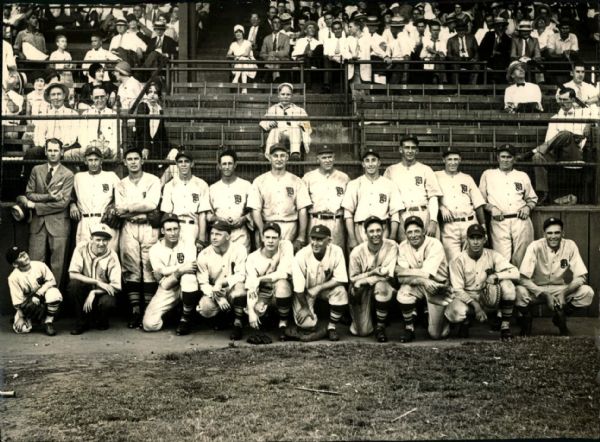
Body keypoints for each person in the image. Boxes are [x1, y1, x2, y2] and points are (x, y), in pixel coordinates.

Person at [516, 217, 594, 336]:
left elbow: (581, 276)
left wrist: (564, 293)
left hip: (559, 289)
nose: (553, 236)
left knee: (587, 292)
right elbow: (523, 278)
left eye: (557, 232)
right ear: (544, 234)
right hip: (537, 289)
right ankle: (527, 322)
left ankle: (560, 316)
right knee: (518, 292)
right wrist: (545, 294)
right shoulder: (535, 246)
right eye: (550, 233)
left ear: (563, 233)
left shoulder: (570, 245)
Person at [446, 224, 519, 340]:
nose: (475, 242)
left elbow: (515, 272)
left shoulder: (492, 255)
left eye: (479, 238)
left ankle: (505, 326)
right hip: (467, 297)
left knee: (508, 286)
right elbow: (458, 290)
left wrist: (497, 275)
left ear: (484, 239)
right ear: (467, 240)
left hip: (486, 295)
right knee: (456, 312)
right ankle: (465, 321)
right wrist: (476, 307)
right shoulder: (457, 260)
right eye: (472, 238)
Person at [115, 146, 161, 328]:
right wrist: (138, 210)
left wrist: (129, 208)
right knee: (131, 267)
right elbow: (118, 209)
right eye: (130, 159)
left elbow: (152, 203)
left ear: (142, 160)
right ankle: (135, 311)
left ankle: (149, 310)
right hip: (129, 227)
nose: (133, 162)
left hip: (148, 227)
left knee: (149, 266)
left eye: (136, 158)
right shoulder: (121, 184)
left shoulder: (153, 180)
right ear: (125, 162)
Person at [21, 138, 74, 288]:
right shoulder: (37, 170)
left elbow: (62, 203)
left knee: (58, 265)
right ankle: (36, 298)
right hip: (38, 224)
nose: (52, 153)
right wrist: (49, 197)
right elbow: (29, 194)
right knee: (35, 263)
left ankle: (54, 301)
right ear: (45, 151)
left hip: (59, 224)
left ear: (61, 152)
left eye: (55, 150)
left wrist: (36, 206)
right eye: (49, 150)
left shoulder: (68, 174)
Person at [530, 87, 597, 203]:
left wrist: (590, 123)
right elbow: (549, 142)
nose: (562, 102)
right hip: (556, 153)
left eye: (565, 100)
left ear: (573, 99)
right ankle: (543, 193)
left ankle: (533, 150)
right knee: (537, 157)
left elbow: (597, 113)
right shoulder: (554, 118)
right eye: (560, 99)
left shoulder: (583, 114)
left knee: (566, 135)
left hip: (575, 152)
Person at [396, 216, 454, 343]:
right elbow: (400, 277)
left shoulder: (434, 244)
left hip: (437, 286)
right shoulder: (403, 246)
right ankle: (409, 328)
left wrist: (406, 273)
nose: (413, 235)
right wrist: (417, 279)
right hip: (420, 284)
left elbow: (425, 274)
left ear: (423, 231)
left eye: (417, 231)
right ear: (405, 234)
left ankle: (446, 319)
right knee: (403, 292)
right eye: (410, 232)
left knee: (435, 334)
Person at [479, 144, 537, 267]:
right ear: (498, 158)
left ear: (514, 159)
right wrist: (491, 208)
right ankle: (505, 285)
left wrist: (527, 207)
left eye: (509, 157)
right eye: (503, 156)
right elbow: (480, 201)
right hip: (500, 220)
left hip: (520, 220)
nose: (505, 160)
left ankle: (521, 285)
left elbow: (532, 199)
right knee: (501, 260)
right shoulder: (488, 174)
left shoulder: (522, 175)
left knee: (523, 260)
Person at [143, 214, 201, 335]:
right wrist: (179, 270)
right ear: (163, 231)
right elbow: (161, 277)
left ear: (180, 229)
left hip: (186, 285)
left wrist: (167, 270)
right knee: (149, 324)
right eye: (169, 230)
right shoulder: (155, 249)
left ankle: (185, 319)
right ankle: (172, 313)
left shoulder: (188, 243)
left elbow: (191, 266)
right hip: (168, 286)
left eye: (175, 229)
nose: (173, 233)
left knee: (188, 278)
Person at [248, 143, 311, 249]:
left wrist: (301, 236)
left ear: (287, 158)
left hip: (289, 226)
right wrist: (263, 231)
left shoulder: (296, 181)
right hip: (267, 224)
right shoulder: (259, 181)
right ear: (269, 157)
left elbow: (302, 209)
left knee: (287, 262)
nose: (279, 159)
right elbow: (255, 210)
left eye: (282, 156)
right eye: (275, 156)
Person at [292, 224, 349, 341]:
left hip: (324, 289)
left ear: (329, 241)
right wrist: (305, 308)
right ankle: (309, 322)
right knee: (307, 324)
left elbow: (341, 279)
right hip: (305, 293)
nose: (315, 243)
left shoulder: (336, 251)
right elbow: (298, 288)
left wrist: (319, 288)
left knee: (341, 292)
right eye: (313, 238)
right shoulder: (301, 255)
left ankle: (331, 327)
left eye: (320, 239)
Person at [348, 216, 398, 342]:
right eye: (371, 231)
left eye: (378, 230)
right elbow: (353, 279)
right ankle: (364, 317)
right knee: (362, 332)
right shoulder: (356, 252)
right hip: (362, 289)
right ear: (365, 233)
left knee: (382, 285)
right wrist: (372, 273)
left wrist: (364, 279)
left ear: (383, 230)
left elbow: (387, 274)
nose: (375, 234)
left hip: (381, 284)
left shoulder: (392, 246)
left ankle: (380, 326)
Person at [342, 147, 403, 250]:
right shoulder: (354, 184)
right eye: (367, 160)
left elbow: (395, 213)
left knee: (382, 261)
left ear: (379, 163)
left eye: (373, 160)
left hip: (382, 227)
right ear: (363, 164)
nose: (370, 164)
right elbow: (348, 213)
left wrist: (392, 236)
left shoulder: (389, 184)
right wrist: (352, 238)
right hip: (361, 229)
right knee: (362, 261)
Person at [196, 220, 248, 340]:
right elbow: (203, 283)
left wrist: (222, 283)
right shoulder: (204, 254)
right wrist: (218, 297)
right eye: (212, 233)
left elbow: (241, 275)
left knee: (240, 290)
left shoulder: (239, 249)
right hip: (215, 290)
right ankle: (222, 317)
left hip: (232, 287)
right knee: (205, 308)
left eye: (218, 234)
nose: (214, 237)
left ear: (228, 236)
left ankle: (238, 323)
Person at [384, 135, 442, 241]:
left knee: (430, 248)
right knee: (406, 252)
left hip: (424, 213)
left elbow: (433, 197)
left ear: (417, 150)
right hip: (402, 215)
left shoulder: (426, 169)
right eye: (407, 147)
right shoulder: (391, 170)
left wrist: (433, 221)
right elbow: (388, 200)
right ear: (400, 149)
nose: (410, 151)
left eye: (413, 148)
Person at [68, 224, 121, 335]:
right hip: (85, 291)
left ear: (109, 240)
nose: (101, 243)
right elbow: (72, 274)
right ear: (91, 239)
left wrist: (94, 292)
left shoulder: (112, 256)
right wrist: (96, 282)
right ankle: (81, 322)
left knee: (108, 302)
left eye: (105, 240)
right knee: (74, 285)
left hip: (102, 293)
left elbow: (116, 287)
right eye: (98, 240)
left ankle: (101, 320)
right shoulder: (81, 248)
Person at [435, 147, 486, 262]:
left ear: (460, 160)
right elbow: (430, 198)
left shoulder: (467, 178)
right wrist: (441, 207)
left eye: (456, 159)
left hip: (469, 223)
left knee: (471, 260)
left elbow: (478, 204)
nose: (453, 162)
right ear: (444, 160)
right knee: (454, 261)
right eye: (450, 159)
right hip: (450, 225)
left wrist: (483, 226)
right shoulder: (436, 176)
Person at [245, 222, 294, 339]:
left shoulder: (286, 246)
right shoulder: (252, 258)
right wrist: (251, 311)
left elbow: (283, 273)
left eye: (274, 238)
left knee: (282, 285)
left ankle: (283, 323)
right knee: (257, 310)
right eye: (267, 237)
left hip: (281, 290)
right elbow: (251, 286)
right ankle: (269, 316)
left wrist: (260, 279)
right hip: (264, 294)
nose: (270, 241)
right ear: (262, 238)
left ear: (280, 239)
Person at [70, 145, 120, 251]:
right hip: (85, 220)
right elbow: (71, 195)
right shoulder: (78, 177)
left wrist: (113, 207)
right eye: (90, 160)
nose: (93, 163)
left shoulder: (111, 176)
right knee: (84, 255)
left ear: (101, 161)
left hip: (104, 220)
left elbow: (120, 196)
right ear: (85, 161)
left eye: (96, 160)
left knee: (107, 255)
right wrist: (72, 205)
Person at [302, 145, 350, 252]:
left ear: (334, 158)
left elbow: (348, 206)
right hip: (315, 219)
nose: (327, 160)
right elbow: (303, 206)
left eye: (329, 157)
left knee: (336, 253)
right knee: (313, 253)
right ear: (318, 159)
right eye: (324, 158)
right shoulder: (308, 177)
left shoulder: (344, 178)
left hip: (336, 221)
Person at [6, 246, 63, 336]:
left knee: (54, 294)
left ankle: (48, 322)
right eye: (20, 256)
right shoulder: (13, 278)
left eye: (24, 253)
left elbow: (52, 281)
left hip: (43, 297)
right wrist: (21, 316)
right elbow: (17, 301)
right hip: (28, 304)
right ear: (15, 264)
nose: (25, 256)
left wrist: (38, 294)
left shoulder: (40, 265)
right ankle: (29, 318)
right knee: (22, 329)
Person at [160, 149, 210, 248]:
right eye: (180, 162)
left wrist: (201, 239)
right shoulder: (169, 185)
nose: (183, 164)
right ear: (176, 164)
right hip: (175, 227)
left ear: (192, 164)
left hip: (193, 227)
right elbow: (166, 213)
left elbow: (202, 214)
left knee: (192, 261)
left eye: (186, 161)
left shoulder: (201, 184)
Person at [208, 149, 252, 253]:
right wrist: (218, 219)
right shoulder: (213, 188)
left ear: (235, 165)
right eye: (224, 164)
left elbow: (253, 210)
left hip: (240, 233)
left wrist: (243, 219)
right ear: (219, 166)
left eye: (230, 164)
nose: (227, 167)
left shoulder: (246, 185)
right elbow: (208, 215)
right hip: (220, 233)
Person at [259, 83, 311, 159]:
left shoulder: (299, 110)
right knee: (274, 130)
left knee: (295, 128)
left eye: (288, 94)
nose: (285, 97)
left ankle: (295, 154)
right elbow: (263, 122)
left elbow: (307, 125)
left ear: (292, 96)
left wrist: (302, 125)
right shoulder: (273, 109)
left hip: (293, 134)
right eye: (283, 94)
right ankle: (272, 153)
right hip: (279, 133)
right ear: (278, 96)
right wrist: (270, 124)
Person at [32, 83, 79, 152]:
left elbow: (73, 135)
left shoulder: (73, 114)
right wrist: (46, 147)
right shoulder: (44, 115)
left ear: (64, 96)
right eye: (53, 95)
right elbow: (39, 135)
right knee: (32, 153)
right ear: (49, 98)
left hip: (66, 147)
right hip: (47, 148)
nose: (56, 97)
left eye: (59, 94)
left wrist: (62, 147)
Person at [76, 86, 119, 160]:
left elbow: (117, 136)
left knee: (119, 153)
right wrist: (89, 147)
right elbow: (81, 135)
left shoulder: (114, 114)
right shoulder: (86, 114)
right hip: (89, 147)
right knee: (70, 154)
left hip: (108, 148)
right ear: (92, 97)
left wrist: (109, 148)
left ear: (107, 96)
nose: (100, 100)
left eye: (102, 97)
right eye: (96, 97)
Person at [133, 82, 169, 160]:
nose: (152, 95)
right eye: (150, 92)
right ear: (146, 94)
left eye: (155, 92)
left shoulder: (160, 110)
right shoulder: (143, 106)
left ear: (159, 95)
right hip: (142, 144)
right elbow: (143, 129)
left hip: (156, 146)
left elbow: (162, 132)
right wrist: (146, 147)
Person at [478, 17, 512, 83]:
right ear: (495, 27)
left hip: (500, 64)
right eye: (498, 26)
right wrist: (491, 54)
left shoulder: (507, 39)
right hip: (488, 62)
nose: (500, 28)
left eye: (502, 26)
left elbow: (507, 54)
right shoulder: (489, 35)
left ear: (505, 28)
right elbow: (481, 50)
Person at [446, 20, 478, 85]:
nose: (461, 32)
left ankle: (472, 88)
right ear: (456, 30)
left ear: (466, 30)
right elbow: (448, 54)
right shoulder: (451, 40)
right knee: (454, 66)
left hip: (469, 60)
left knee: (476, 66)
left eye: (463, 30)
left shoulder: (471, 38)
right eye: (459, 30)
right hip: (457, 60)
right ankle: (456, 88)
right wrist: (455, 59)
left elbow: (477, 51)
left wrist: (475, 59)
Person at [227, 25, 257, 93]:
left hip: (249, 64)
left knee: (243, 59)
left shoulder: (248, 43)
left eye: (240, 32)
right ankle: (244, 88)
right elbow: (228, 54)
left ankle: (236, 78)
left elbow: (246, 54)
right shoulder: (233, 44)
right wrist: (235, 57)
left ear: (243, 33)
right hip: (238, 65)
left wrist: (238, 56)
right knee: (242, 62)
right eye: (236, 32)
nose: (238, 34)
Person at [259, 16, 291, 82]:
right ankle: (276, 79)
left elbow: (286, 52)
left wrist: (274, 54)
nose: (276, 24)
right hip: (270, 60)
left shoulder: (285, 37)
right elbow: (262, 53)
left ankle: (265, 79)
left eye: (278, 22)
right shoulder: (266, 38)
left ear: (281, 25)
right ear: (272, 25)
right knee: (274, 59)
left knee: (275, 59)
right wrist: (269, 57)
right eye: (274, 22)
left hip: (282, 60)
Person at [323, 20, 350, 92]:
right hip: (332, 61)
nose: (337, 31)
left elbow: (346, 53)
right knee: (326, 59)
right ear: (332, 30)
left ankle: (346, 87)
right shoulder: (328, 41)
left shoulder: (347, 40)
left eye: (339, 28)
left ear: (342, 29)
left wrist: (337, 56)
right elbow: (326, 52)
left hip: (343, 60)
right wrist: (334, 57)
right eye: (335, 29)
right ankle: (327, 85)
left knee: (347, 60)